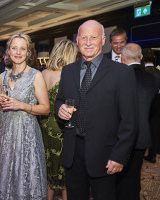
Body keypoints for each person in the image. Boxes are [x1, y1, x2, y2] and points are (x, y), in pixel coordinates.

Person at [55, 20, 137, 200]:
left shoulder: (122, 73)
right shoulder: (68, 71)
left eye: (93, 37)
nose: (88, 42)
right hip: (73, 152)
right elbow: (60, 100)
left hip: (106, 154)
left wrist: (119, 155)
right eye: (84, 38)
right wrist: (59, 109)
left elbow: (129, 121)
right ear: (77, 41)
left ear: (102, 40)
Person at [0, 32, 50, 200]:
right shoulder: (2, 77)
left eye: (22, 48)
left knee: (23, 176)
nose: (18, 52)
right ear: (8, 51)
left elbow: (46, 108)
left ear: (28, 52)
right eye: (14, 48)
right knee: (3, 176)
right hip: (3, 132)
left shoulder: (36, 75)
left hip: (26, 133)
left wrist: (21, 105)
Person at [116, 43, 158, 200]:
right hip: (142, 135)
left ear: (122, 58)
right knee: (134, 175)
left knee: (118, 177)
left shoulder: (119, 77)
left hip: (119, 135)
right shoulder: (153, 80)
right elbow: (153, 111)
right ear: (140, 58)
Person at [40, 40, 78, 200]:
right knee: (64, 172)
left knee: (50, 169)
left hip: (44, 125)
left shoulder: (44, 73)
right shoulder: (68, 75)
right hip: (60, 126)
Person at [143, 48, 160, 163]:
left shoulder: (142, 72)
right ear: (153, 57)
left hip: (145, 103)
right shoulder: (158, 71)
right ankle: (152, 154)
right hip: (158, 102)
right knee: (155, 129)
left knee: (144, 128)